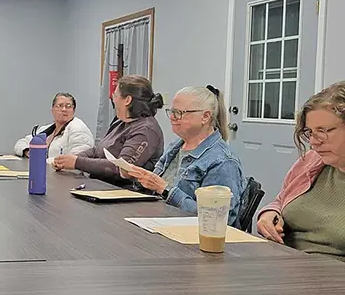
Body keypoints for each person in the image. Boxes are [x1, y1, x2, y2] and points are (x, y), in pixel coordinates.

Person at [123, 85, 244, 226]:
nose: (173, 118)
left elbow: (216, 219)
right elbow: (154, 189)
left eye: (180, 113)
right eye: (172, 112)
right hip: (160, 222)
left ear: (205, 116)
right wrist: (137, 177)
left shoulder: (223, 161)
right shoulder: (176, 147)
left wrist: (165, 190)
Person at [256, 81, 345, 261]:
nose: (314, 141)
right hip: (284, 263)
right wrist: (270, 213)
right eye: (310, 132)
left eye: (323, 130)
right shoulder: (311, 162)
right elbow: (282, 199)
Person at [52, 75, 164, 186]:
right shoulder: (121, 121)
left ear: (127, 100)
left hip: (125, 194)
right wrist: (69, 160)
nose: (113, 98)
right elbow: (97, 151)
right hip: (100, 187)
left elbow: (122, 168)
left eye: (115, 95)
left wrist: (77, 162)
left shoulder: (146, 130)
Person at [14, 92, 94, 160]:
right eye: (60, 106)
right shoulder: (47, 130)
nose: (64, 109)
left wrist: (41, 159)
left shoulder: (78, 129)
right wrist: (27, 151)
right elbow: (21, 143)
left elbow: (75, 161)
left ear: (74, 110)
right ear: (52, 110)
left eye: (68, 106)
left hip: (68, 177)